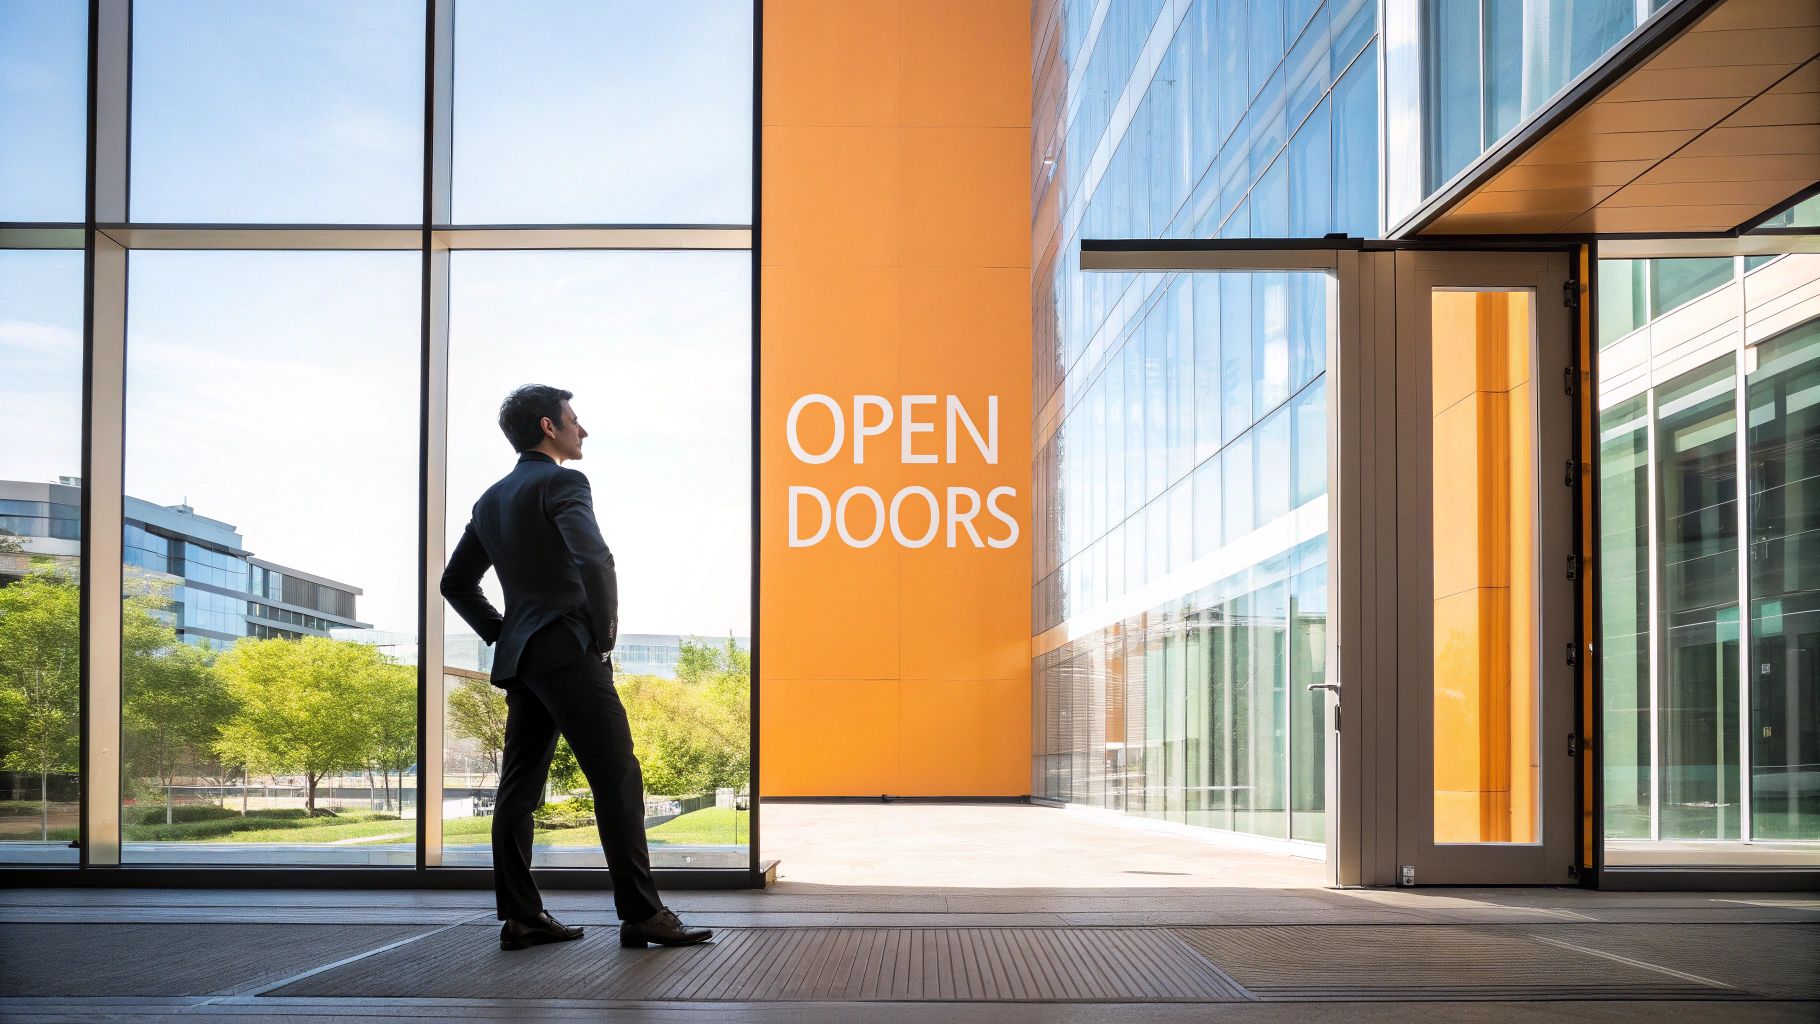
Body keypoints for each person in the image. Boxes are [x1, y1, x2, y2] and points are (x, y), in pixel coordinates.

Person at [441, 384, 712, 952]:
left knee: (518, 790)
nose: (581, 431)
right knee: (617, 779)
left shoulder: (490, 499)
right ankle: (642, 915)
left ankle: (521, 917)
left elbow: (455, 583)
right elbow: (595, 558)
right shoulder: (564, 481)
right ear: (549, 426)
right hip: (568, 649)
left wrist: (504, 631)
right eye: (574, 421)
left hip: (525, 660)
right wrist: (603, 635)